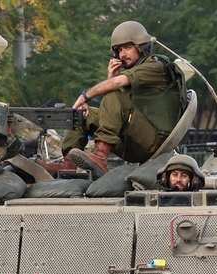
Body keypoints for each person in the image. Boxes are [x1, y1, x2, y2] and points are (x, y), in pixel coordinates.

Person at [37, 21, 186, 179]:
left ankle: (101, 157)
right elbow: (114, 107)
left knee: (111, 95)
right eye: (119, 50)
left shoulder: (155, 67)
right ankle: (67, 166)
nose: (122, 54)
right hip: (131, 143)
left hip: (152, 143)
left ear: (141, 46)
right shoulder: (135, 73)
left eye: (128, 47)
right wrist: (111, 77)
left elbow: (116, 89)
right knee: (81, 114)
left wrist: (85, 96)